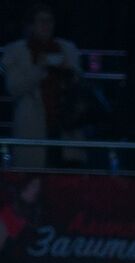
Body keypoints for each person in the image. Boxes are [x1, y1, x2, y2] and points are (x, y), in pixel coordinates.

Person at [1, 3, 82, 168]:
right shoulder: (15, 51)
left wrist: (68, 70)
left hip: (65, 124)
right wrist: (39, 69)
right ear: (31, 25)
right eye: (41, 21)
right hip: (32, 124)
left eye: (50, 21)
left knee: (68, 179)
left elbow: (80, 83)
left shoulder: (68, 49)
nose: (46, 25)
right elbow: (13, 88)